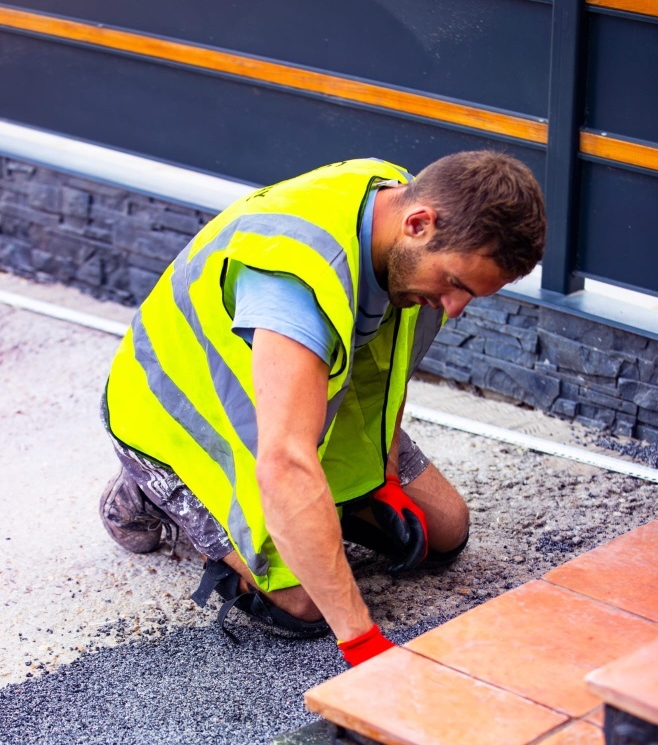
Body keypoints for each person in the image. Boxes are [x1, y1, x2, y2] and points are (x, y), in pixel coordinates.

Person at [100, 151, 545, 666]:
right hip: (186, 421)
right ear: (419, 224)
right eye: (456, 284)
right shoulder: (294, 284)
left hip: (309, 404)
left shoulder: (400, 210)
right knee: (305, 606)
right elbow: (285, 463)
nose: (455, 308)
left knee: (444, 530)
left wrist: (386, 476)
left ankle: (321, 509)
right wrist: (361, 641)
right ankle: (149, 491)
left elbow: (390, 364)